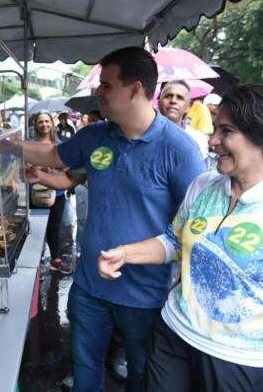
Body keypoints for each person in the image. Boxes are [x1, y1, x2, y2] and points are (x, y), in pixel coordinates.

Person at [15, 46, 205, 392]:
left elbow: (194, 227)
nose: (98, 92)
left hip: (145, 293)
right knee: (85, 366)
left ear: (135, 89)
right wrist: (10, 144)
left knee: (141, 374)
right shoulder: (95, 136)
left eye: (106, 85)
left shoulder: (179, 150)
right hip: (89, 285)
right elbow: (55, 155)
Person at [98, 84, 263, 392]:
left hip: (240, 357)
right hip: (176, 333)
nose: (213, 142)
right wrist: (125, 253)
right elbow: (174, 241)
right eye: (214, 129)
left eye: (226, 131)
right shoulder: (204, 185)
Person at [31, 112, 72, 274]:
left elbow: (68, 166)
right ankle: (36, 262)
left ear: (52, 124)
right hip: (36, 192)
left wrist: (54, 168)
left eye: (47, 121)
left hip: (57, 193)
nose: (44, 124)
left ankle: (55, 259)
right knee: (36, 228)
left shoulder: (59, 144)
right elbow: (24, 166)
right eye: (40, 122)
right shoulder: (31, 145)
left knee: (55, 226)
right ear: (36, 125)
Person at [158, 80, 210, 164]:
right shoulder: (142, 133)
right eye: (168, 96)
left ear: (188, 107)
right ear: (159, 103)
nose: (173, 101)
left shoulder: (198, 139)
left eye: (180, 98)